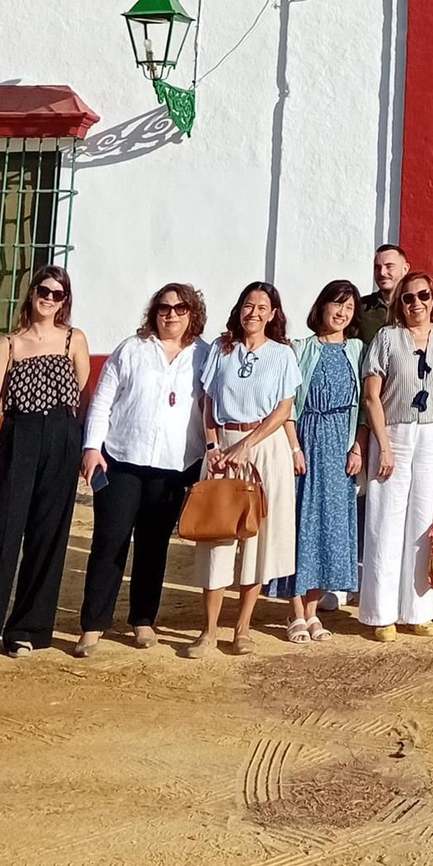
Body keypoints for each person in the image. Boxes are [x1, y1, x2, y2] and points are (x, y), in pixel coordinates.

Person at [0, 264, 91, 660]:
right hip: (20, 436)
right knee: (4, 536)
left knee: (48, 537)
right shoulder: (9, 344)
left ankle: (27, 629)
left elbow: (80, 391)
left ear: (65, 301)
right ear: (31, 294)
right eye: (43, 291)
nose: (49, 298)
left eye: (58, 294)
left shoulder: (73, 340)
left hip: (62, 437)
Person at [75, 282, 209, 656]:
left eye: (180, 309)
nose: (171, 315)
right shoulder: (131, 349)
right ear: (155, 312)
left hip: (173, 466)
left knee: (154, 546)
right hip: (121, 460)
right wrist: (91, 448)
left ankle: (143, 620)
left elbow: (211, 408)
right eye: (164, 308)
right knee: (109, 542)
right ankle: (93, 625)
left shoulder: (204, 355)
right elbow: (103, 400)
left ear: (191, 314)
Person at [188, 282, 301, 658]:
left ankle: (242, 629)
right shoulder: (222, 350)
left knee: (256, 538)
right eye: (248, 305)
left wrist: (247, 445)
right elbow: (207, 402)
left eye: (262, 307)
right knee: (217, 535)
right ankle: (208, 631)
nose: (253, 312)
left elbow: (283, 410)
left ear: (273, 314)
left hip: (264, 450)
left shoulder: (283, 354)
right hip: (222, 448)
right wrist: (213, 446)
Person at [359, 270, 433, 640]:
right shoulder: (387, 339)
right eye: (408, 298)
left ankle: (419, 610)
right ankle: (380, 613)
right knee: (385, 521)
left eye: (423, 296)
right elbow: (372, 396)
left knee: (424, 523)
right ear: (399, 304)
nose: (416, 303)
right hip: (395, 434)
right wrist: (383, 444)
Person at [269, 281, 365, 643]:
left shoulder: (357, 350)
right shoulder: (301, 349)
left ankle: (313, 614)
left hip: (341, 446)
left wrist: (357, 448)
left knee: (330, 530)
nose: (341, 313)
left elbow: (365, 409)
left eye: (349, 308)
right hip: (308, 441)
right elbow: (289, 404)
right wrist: (295, 448)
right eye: (336, 304)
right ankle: (295, 612)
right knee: (301, 525)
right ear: (322, 306)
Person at [355, 243, 408, 351]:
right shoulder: (361, 307)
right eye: (377, 267)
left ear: (405, 269)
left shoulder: (417, 305)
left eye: (389, 267)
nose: (382, 273)